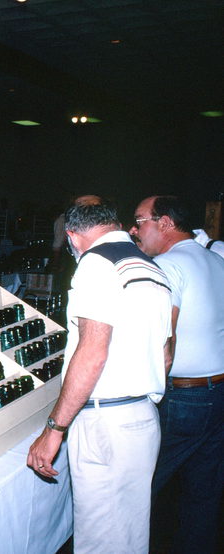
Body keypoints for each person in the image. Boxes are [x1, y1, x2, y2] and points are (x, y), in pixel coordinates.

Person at [27, 199, 172, 554]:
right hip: (142, 418)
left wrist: (54, 429)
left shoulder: (95, 263)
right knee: (130, 536)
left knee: (99, 539)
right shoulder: (152, 267)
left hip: (104, 422)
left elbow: (92, 353)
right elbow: (166, 353)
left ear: (72, 237)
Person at [130, 195, 224, 554]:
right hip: (218, 391)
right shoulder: (215, 260)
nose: (134, 230)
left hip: (184, 399)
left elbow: (163, 345)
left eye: (140, 221)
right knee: (203, 494)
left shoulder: (167, 266)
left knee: (142, 488)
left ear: (165, 223)